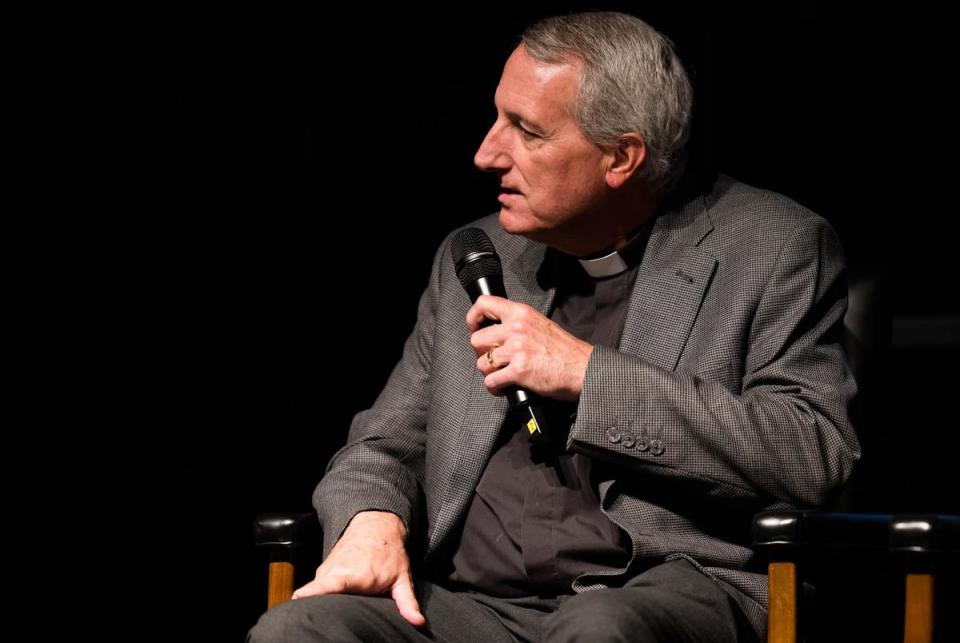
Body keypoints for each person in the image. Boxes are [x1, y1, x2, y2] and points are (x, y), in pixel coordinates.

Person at [250, 11, 859, 643]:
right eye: (497, 117)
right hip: (472, 605)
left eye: (527, 131)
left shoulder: (768, 246)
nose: (486, 154)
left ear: (621, 157)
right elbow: (384, 444)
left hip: (658, 592)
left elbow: (810, 449)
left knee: (597, 628)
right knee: (300, 629)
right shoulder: (481, 253)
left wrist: (586, 374)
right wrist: (372, 518)